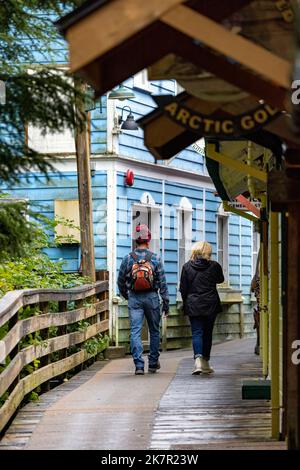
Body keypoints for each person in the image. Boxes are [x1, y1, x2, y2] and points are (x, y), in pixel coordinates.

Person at [118, 224, 169, 375]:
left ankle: (139, 365)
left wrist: (127, 295)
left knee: (135, 331)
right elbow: (162, 282)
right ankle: (153, 363)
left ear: (135, 240)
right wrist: (165, 302)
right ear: (149, 240)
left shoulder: (128, 258)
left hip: (134, 298)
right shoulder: (155, 258)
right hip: (152, 297)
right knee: (154, 331)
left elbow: (120, 281)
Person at [180, 241, 224, 375]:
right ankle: (205, 362)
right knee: (207, 333)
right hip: (210, 303)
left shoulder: (187, 267)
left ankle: (198, 360)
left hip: (194, 304)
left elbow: (183, 288)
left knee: (197, 332)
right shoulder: (214, 266)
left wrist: (186, 302)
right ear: (208, 252)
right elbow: (220, 280)